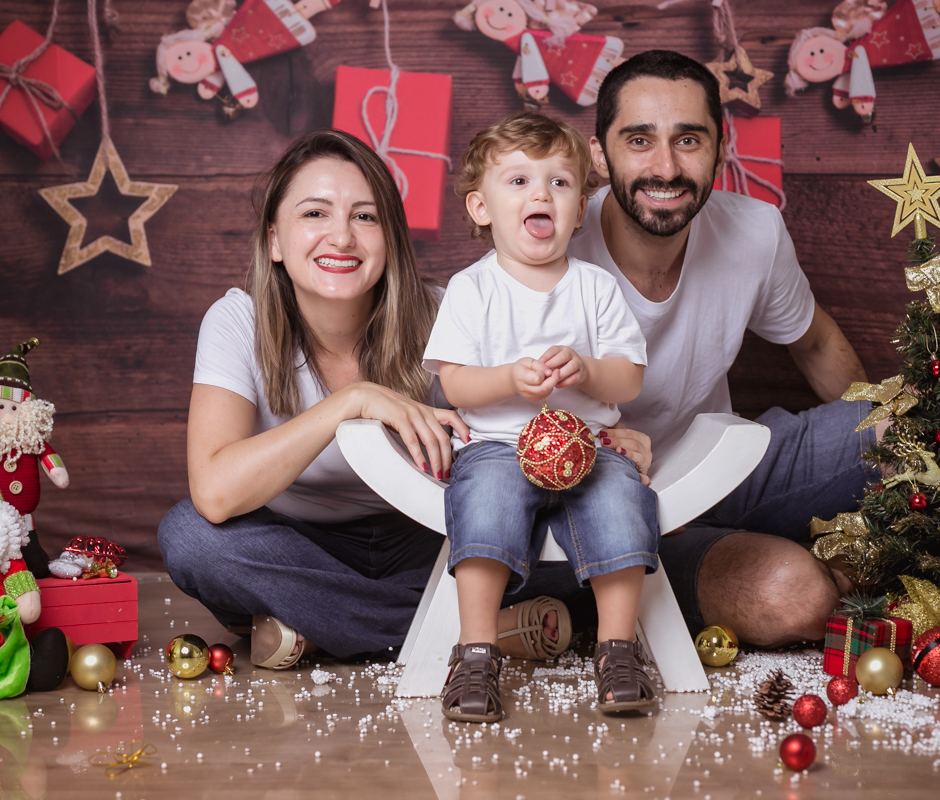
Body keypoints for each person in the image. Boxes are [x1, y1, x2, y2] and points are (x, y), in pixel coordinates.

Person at [157, 129, 582, 670]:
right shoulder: (236, 320)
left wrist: (601, 436)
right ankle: (475, 629)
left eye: (365, 217)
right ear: (275, 241)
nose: (341, 238)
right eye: (315, 214)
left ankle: (320, 626)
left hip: (433, 538)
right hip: (298, 545)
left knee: (588, 533)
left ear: (390, 237)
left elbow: (527, 417)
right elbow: (215, 494)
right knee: (192, 538)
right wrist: (350, 402)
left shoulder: (447, 311)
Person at [566, 50, 877, 648]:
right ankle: (598, 604)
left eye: (688, 139)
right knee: (796, 598)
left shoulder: (755, 231)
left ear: (720, 149)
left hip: (725, 471)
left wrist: (862, 444)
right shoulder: (548, 242)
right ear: (598, 155)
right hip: (603, 514)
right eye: (638, 139)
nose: (666, 167)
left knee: (910, 421)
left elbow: (815, 343)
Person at [425, 113, 660, 722]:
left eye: (559, 184)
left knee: (621, 501)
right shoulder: (471, 289)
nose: (540, 195)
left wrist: (585, 369)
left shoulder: (595, 288)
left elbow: (628, 376)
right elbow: (453, 382)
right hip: (500, 444)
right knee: (484, 504)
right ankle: (476, 651)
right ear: (481, 208)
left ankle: (617, 648)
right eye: (519, 181)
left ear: (579, 211)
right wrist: (507, 380)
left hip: (589, 445)